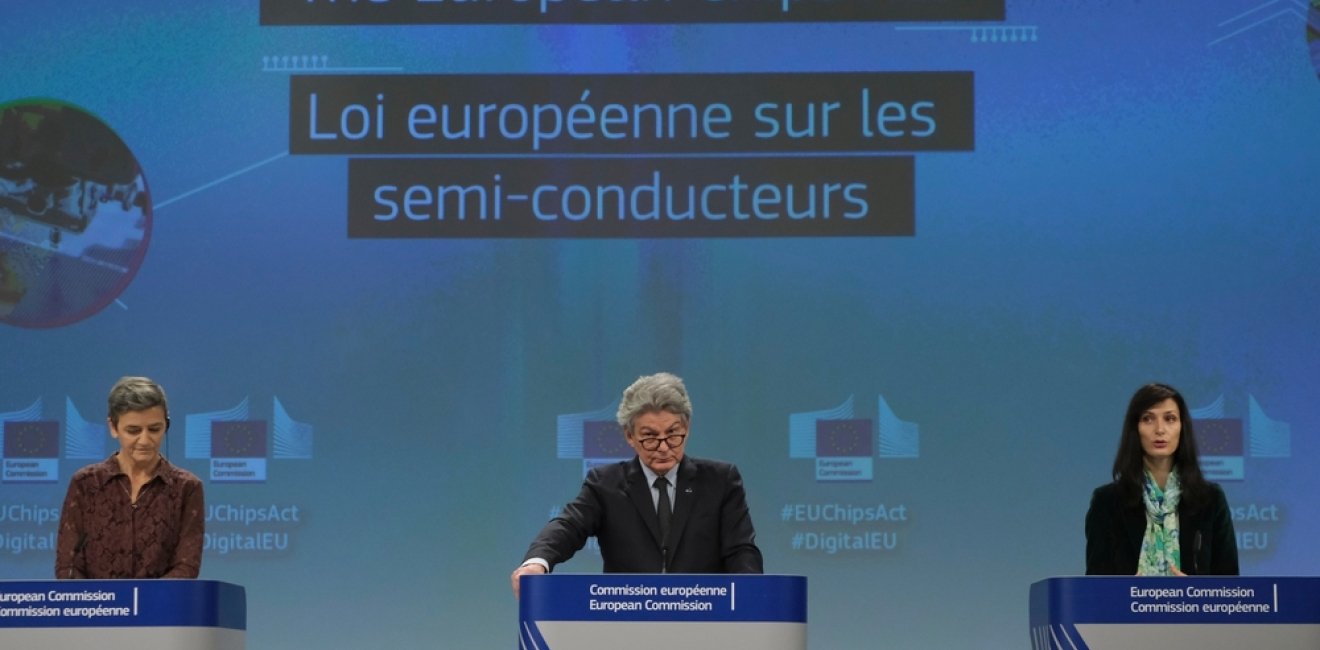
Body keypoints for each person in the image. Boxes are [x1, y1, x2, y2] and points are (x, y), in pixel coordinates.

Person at [511, 372, 762, 597]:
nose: (664, 448)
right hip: (627, 619)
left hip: (706, 619)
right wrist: (537, 562)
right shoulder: (605, 484)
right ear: (629, 436)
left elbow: (740, 549)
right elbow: (569, 526)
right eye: (650, 437)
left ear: (688, 428)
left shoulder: (720, 481)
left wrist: (750, 596)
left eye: (673, 435)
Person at [55, 376, 205, 579]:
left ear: (166, 425)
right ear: (113, 427)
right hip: (97, 608)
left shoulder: (186, 488)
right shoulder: (86, 483)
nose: (144, 440)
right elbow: (68, 566)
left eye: (154, 429)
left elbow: (186, 567)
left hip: (160, 608)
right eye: (133, 431)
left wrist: (139, 604)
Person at [1085, 383, 1238, 575]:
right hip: (1127, 606)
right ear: (1135, 428)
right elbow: (1093, 589)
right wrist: (1123, 594)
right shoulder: (1107, 502)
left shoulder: (1210, 499)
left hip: (1193, 606)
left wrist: (1197, 594)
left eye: (1170, 419)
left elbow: (1231, 586)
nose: (1160, 429)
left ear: (1182, 428)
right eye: (1148, 419)